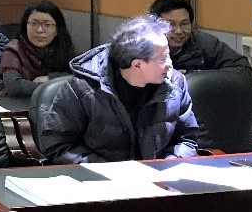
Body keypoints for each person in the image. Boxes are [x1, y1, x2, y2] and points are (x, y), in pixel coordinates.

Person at [37, 14, 199, 164]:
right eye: (163, 58)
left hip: (158, 176)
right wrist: (109, 169)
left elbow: (187, 139)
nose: (170, 64)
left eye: (168, 55)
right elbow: (57, 146)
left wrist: (171, 162)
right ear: (137, 64)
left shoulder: (175, 84)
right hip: (100, 179)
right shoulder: (82, 89)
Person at [148, 0, 252, 77]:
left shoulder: (205, 43)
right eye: (170, 25)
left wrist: (200, 77)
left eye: (184, 24)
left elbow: (243, 69)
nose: (179, 31)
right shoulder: (142, 47)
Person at [0, 0, 76, 97]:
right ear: (26, 26)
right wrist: (53, 86)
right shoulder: (13, 49)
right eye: (34, 23)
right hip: (16, 103)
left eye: (47, 25)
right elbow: (14, 86)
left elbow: (78, 78)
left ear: (56, 31)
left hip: (52, 103)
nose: (40, 30)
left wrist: (50, 78)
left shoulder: (62, 48)